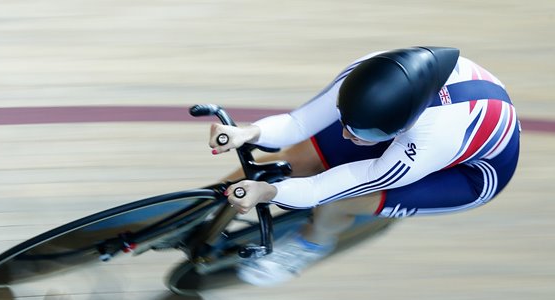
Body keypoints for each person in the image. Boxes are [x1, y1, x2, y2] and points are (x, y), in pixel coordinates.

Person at [208, 46, 520, 287]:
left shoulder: (432, 142)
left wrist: (267, 190)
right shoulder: (372, 70)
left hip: (469, 174)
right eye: (346, 121)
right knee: (299, 156)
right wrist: (247, 132)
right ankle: (206, 206)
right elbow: (299, 122)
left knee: (341, 201)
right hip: (418, 120)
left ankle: (311, 243)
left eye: (362, 132)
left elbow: (323, 188)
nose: (346, 134)